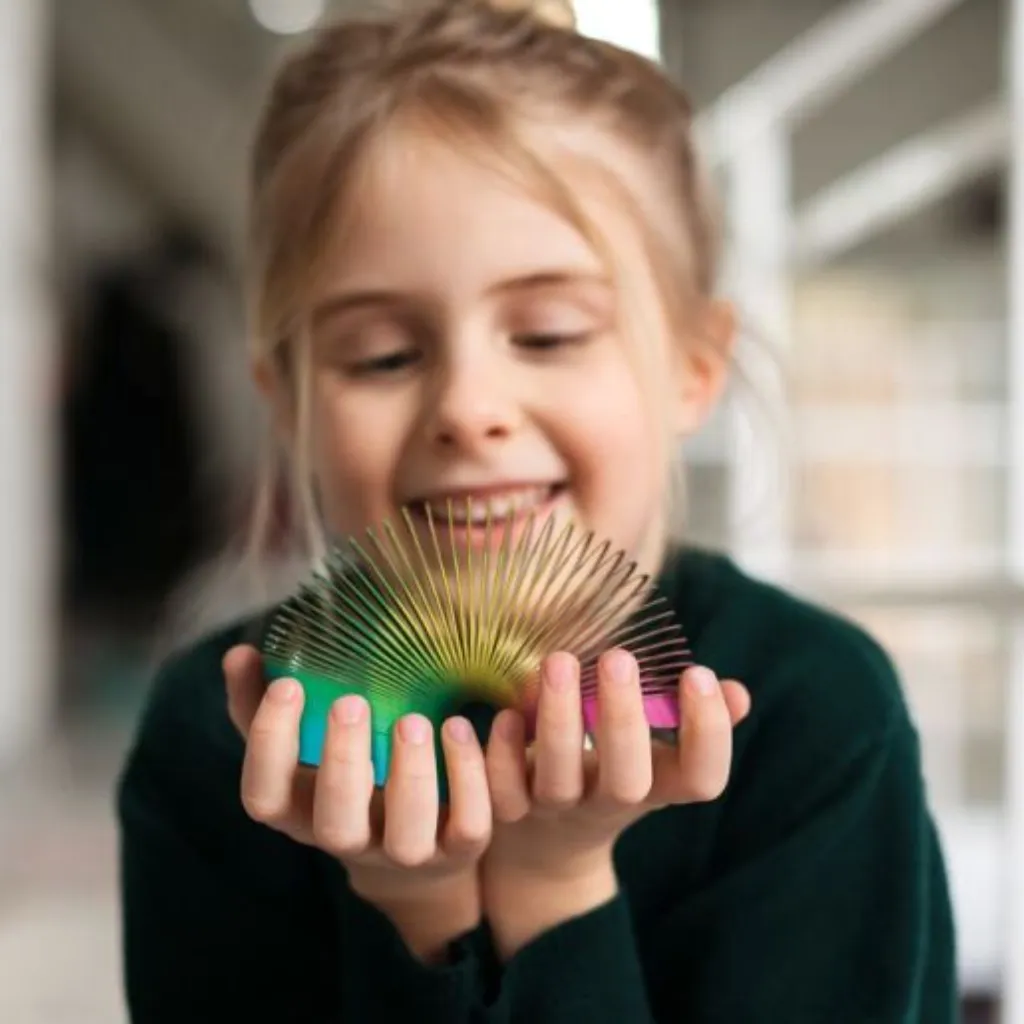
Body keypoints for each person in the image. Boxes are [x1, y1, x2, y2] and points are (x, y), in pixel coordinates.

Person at [116, 1, 958, 1020]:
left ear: (692, 367)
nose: (467, 407)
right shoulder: (214, 742)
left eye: (550, 334)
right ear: (288, 403)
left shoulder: (814, 714)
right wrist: (413, 909)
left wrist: (556, 887)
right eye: (383, 355)